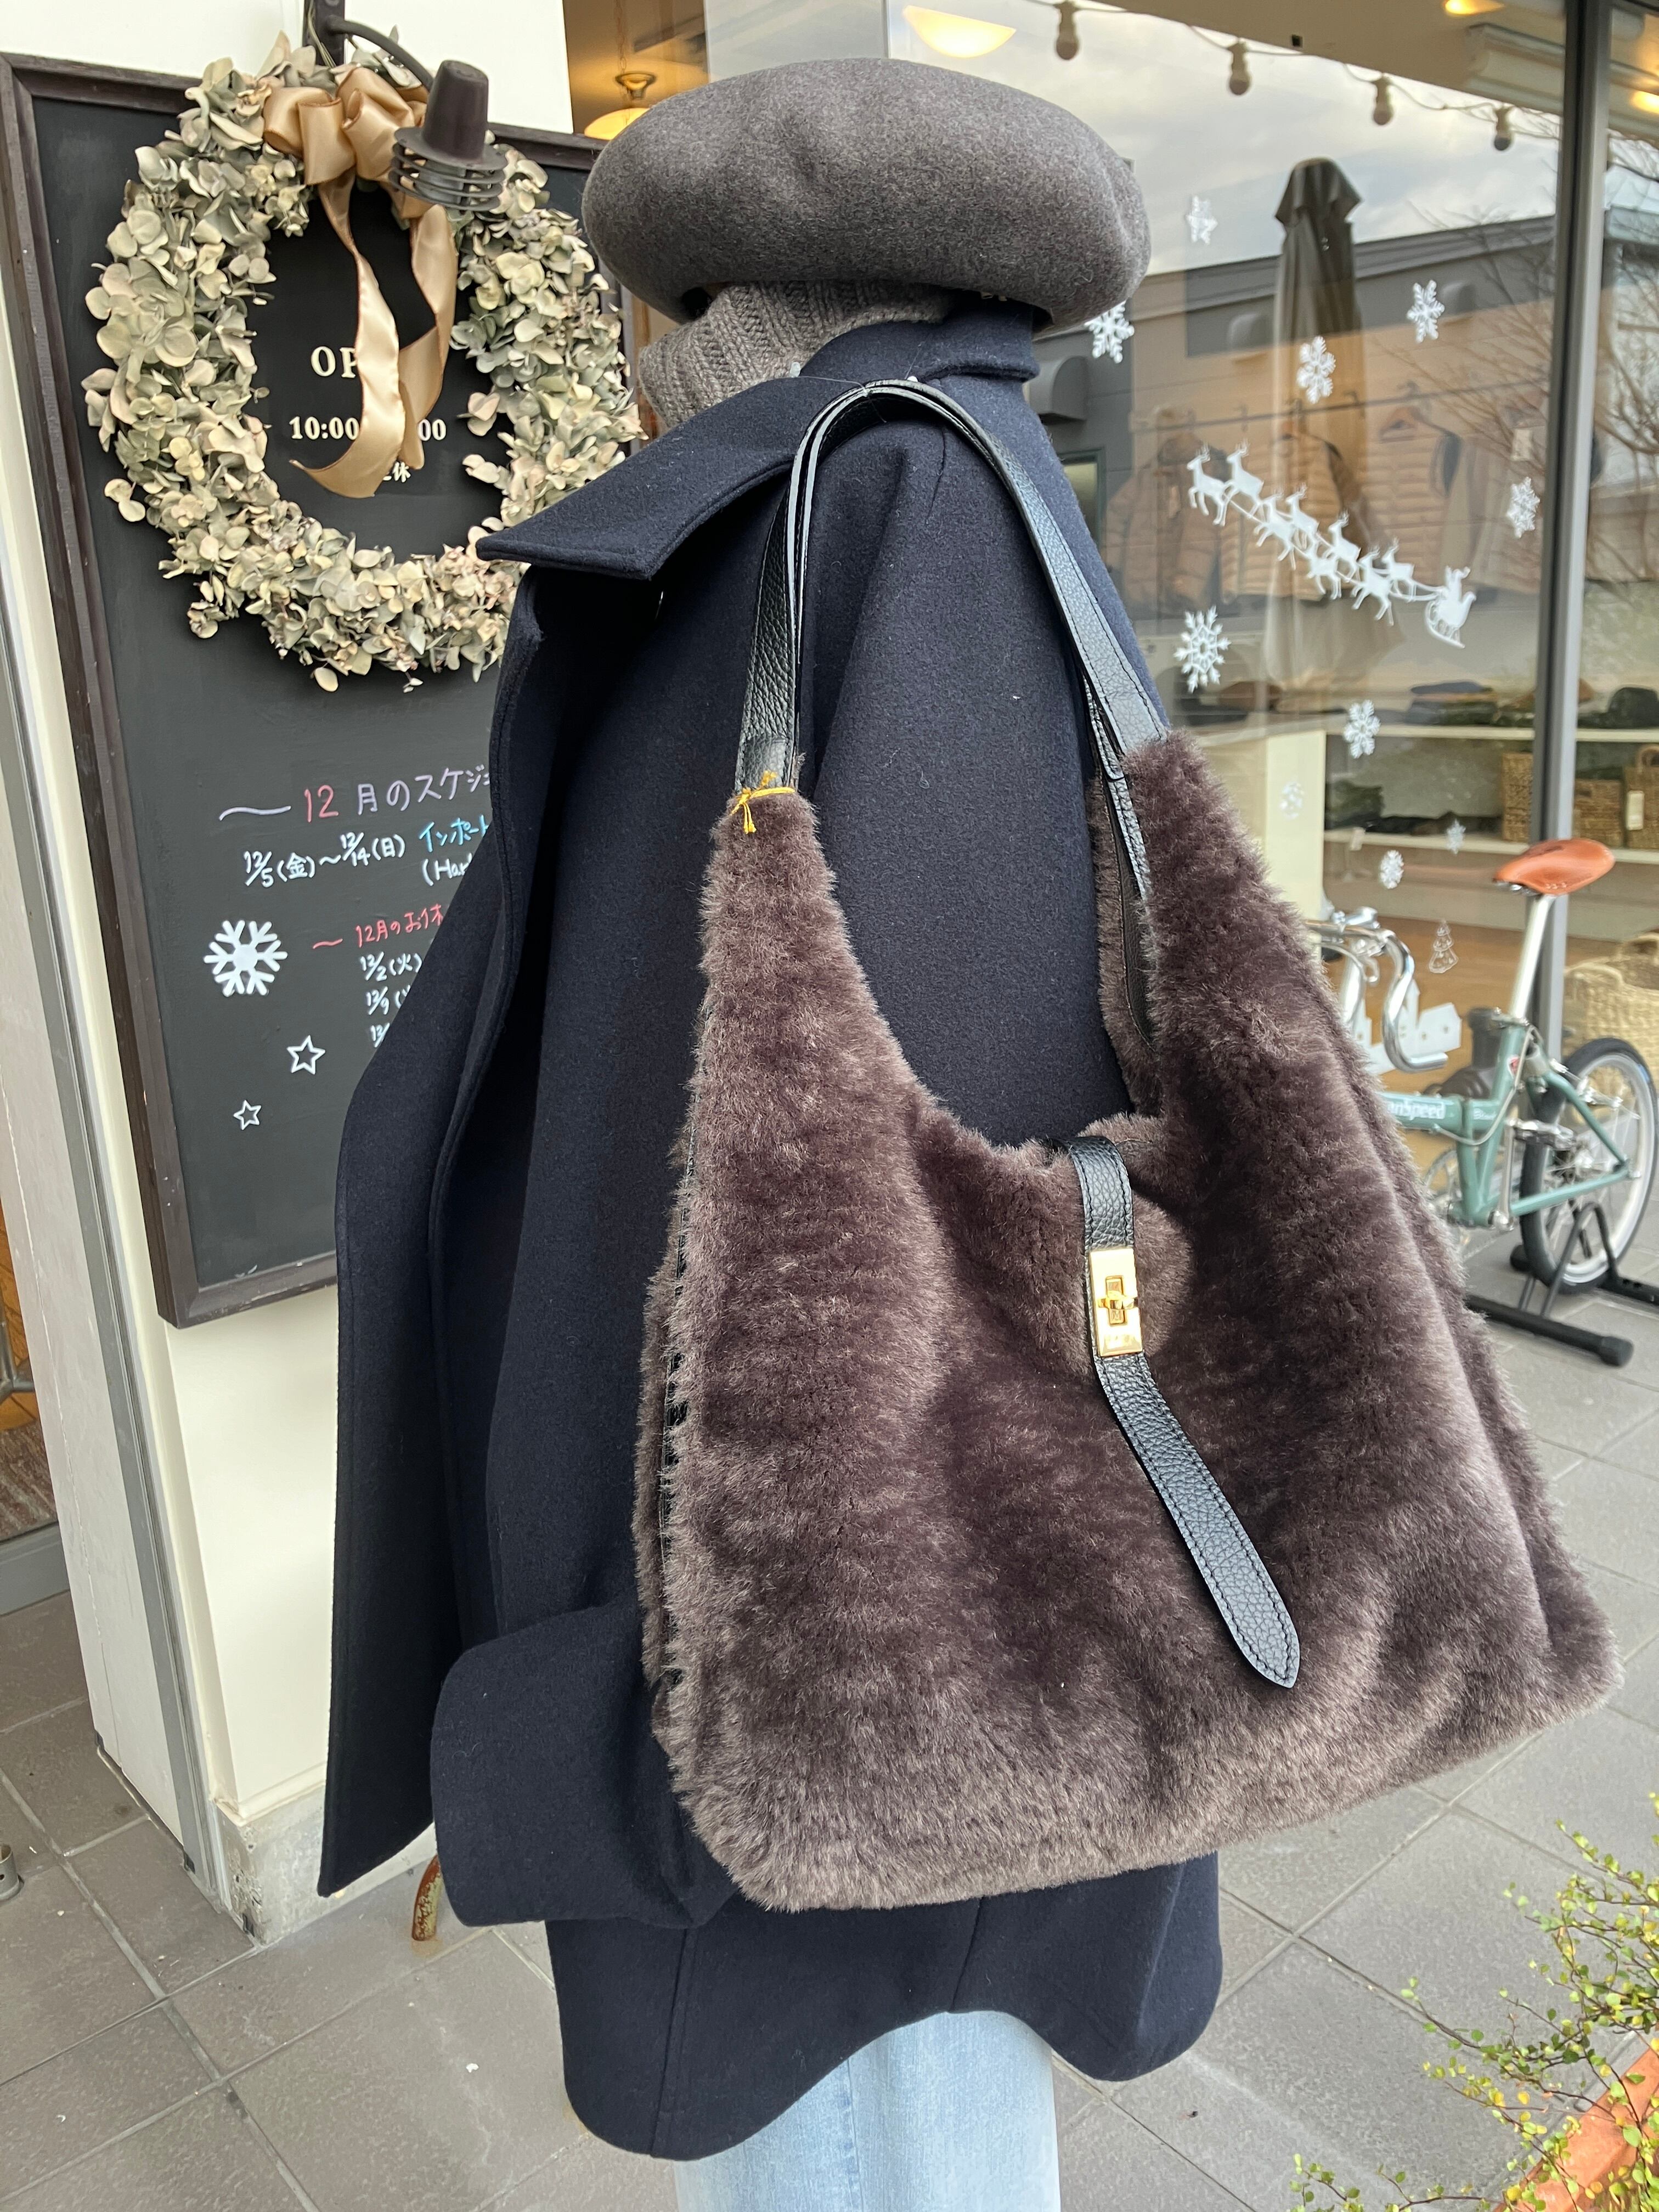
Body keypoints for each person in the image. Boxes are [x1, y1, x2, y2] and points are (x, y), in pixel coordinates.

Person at [318, 55, 1221, 2208]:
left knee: (868, 2094)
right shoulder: (819, 509)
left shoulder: (889, 509)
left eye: (680, 312)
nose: (653, 353)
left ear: (750, 297)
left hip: (825, 1640)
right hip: (768, 1595)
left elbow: (946, 1180)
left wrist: (700, 1657)